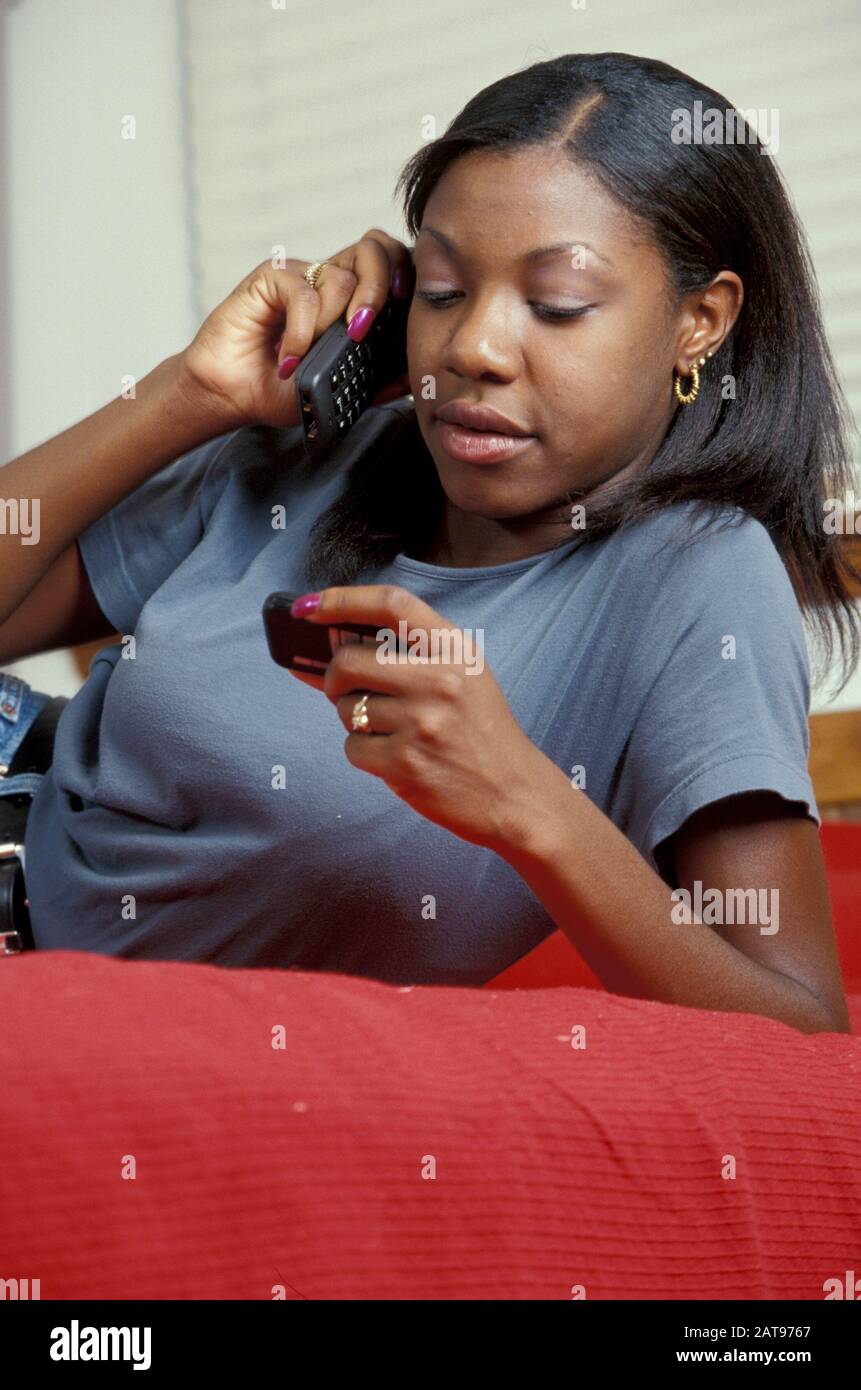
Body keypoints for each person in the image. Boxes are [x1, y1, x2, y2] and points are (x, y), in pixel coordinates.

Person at [0, 52, 856, 1032]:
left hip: (66, 1007)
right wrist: (192, 395)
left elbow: (804, 1038)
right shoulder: (324, 454)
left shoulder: (699, 578)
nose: (474, 348)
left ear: (699, 321)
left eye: (557, 303)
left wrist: (531, 807)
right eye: (445, 288)